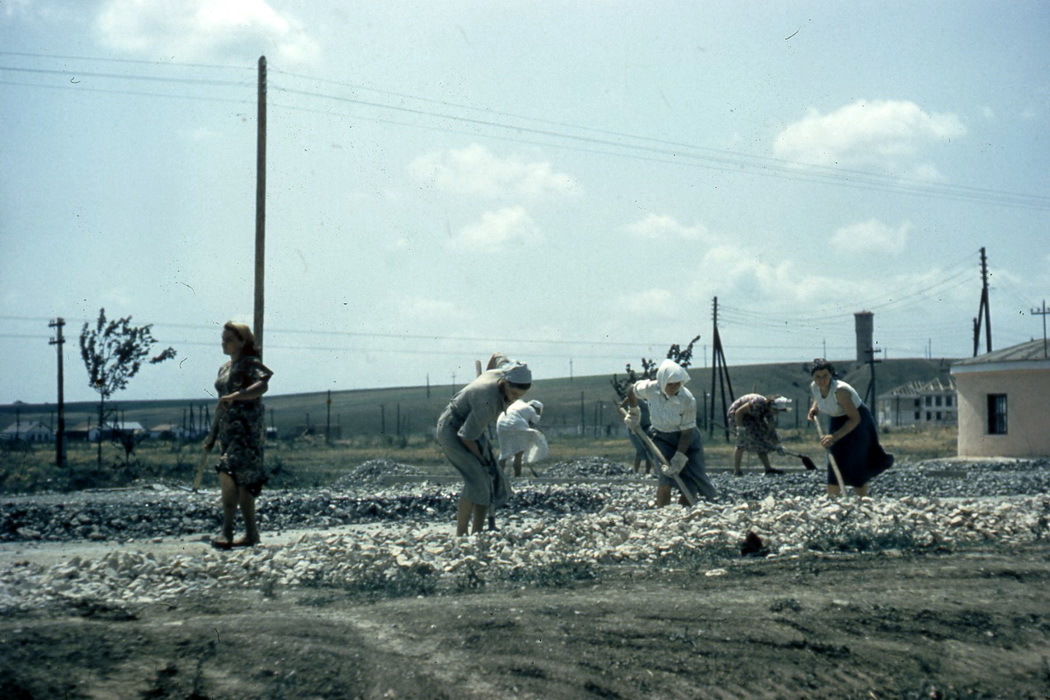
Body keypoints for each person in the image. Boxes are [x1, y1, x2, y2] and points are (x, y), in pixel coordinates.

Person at [437, 359, 531, 535]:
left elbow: (497, 356)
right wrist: (481, 460)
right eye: (512, 393)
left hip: (471, 425)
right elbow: (466, 437)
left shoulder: (501, 372)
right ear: (504, 382)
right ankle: (461, 533)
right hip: (452, 429)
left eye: (518, 396)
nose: (513, 398)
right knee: (477, 480)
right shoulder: (488, 403)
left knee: (489, 479)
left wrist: (509, 362)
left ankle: (478, 532)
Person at [206, 322, 273, 549]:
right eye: (223, 338)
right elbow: (221, 403)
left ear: (243, 342)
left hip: (247, 430)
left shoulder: (250, 364)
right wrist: (213, 434)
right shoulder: (224, 368)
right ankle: (251, 533)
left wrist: (238, 395)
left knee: (231, 473)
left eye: (229, 339)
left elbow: (262, 385)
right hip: (227, 430)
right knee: (241, 481)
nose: (224, 343)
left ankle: (227, 530)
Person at [624, 359, 716, 506]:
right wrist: (634, 413)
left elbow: (686, 434)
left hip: (687, 439)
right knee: (665, 478)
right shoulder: (650, 388)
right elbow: (631, 390)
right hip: (661, 437)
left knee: (691, 480)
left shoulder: (687, 399)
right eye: (670, 384)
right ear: (662, 381)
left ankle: (685, 514)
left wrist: (679, 458)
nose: (674, 387)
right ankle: (663, 514)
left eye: (677, 384)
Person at [806, 358, 893, 497]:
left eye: (825, 376)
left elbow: (855, 418)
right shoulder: (814, 386)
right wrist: (814, 408)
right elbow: (818, 396)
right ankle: (832, 501)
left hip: (858, 422)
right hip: (837, 419)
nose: (821, 380)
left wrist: (834, 437)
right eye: (818, 376)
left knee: (856, 460)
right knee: (834, 457)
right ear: (813, 377)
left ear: (831, 375)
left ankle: (862, 501)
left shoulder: (840, 391)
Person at [727, 393, 792, 476]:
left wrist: (778, 445)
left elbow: (771, 430)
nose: (776, 413)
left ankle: (768, 469)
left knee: (760, 439)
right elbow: (739, 412)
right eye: (775, 410)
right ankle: (737, 471)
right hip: (737, 415)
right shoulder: (758, 403)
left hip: (751, 416)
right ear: (770, 406)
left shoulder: (769, 412)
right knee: (742, 442)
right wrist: (740, 429)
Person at [497, 399, 548, 477]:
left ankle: (498, 478)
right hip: (516, 423)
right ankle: (517, 477)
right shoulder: (531, 410)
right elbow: (533, 422)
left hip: (501, 424)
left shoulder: (517, 404)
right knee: (518, 453)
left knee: (504, 453)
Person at [621, 398, 653, 475]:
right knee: (640, 449)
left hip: (647, 426)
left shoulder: (653, 398)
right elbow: (630, 396)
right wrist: (622, 406)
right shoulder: (639, 397)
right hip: (635, 427)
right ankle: (636, 471)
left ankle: (647, 472)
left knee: (649, 449)